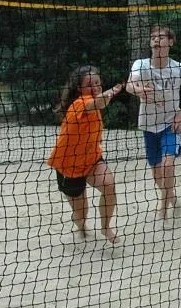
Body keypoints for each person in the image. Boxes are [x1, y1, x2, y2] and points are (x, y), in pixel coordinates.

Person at [126, 25, 181, 220]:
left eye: (160, 37)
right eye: (153, 37)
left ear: (170, 42)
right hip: (148, 124)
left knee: (168, 165)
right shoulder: (141, 65)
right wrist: (138, 90)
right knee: (157, 173)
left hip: (171, 124)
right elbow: (129, 85)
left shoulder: (178, 68)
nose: (156, 40)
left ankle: (164, 208)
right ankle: (172, 197)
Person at [47, 66, 124, 244]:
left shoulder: (94, 99)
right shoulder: (80, 103)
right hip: (68, 166)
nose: (95, 86)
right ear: (79, 88)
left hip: (91, 160)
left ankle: (105, 227)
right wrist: (113, 91)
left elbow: (100, 101)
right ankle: (80, 226)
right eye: (90, 84)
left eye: (97, 83)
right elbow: (99, 102)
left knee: (109, 184)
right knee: (81, 214)